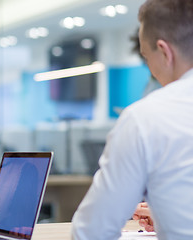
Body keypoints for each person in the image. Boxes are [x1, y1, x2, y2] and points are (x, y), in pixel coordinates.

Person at [71, 0, 193, 239]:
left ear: (165, 52)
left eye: (147, 58)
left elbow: (92, 231)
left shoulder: (145, 118)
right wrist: (170, 214)